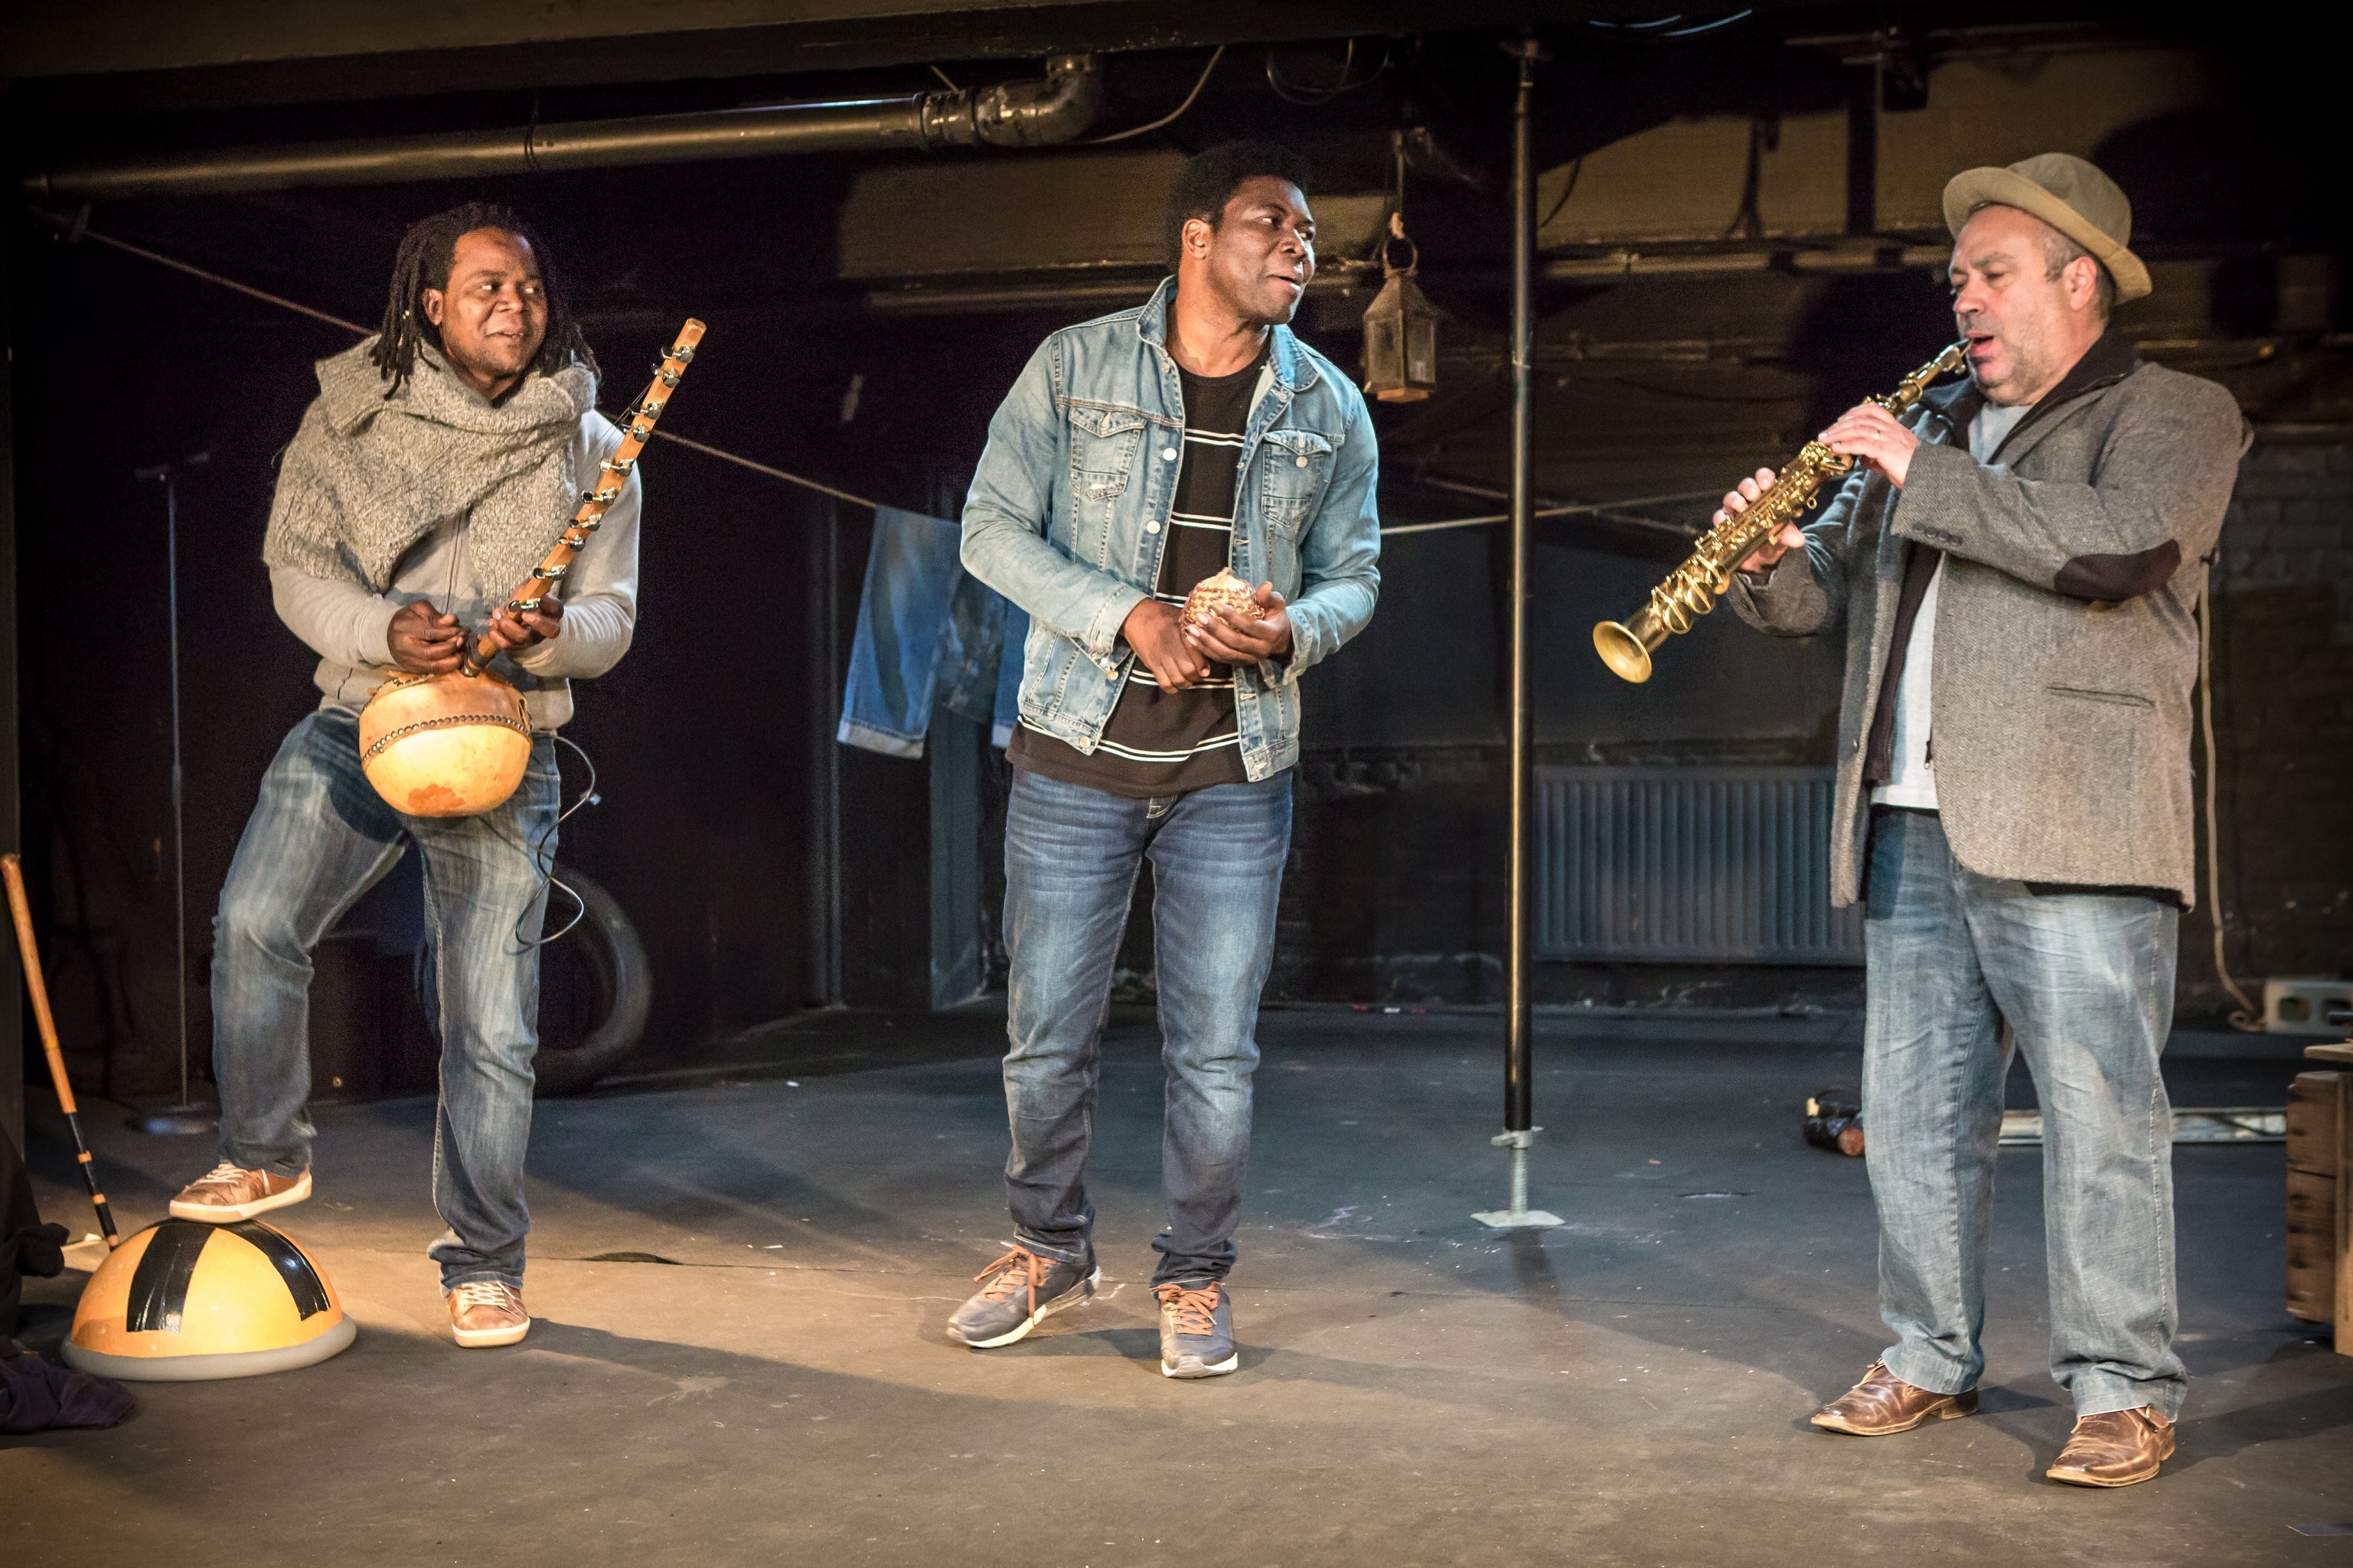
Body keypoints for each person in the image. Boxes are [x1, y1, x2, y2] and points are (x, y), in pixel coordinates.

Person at [1722, 154, 2244, 1486]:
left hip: (2075, 819)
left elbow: (2116, 548)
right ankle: (1927, 1351)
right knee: (1911, 1116)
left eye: (1991, 274)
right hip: (1910, 817)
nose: (1962, 299)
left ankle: (2121, 1385)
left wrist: (1917, 469)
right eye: (1955, 278)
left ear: (2078, 282)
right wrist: (1766, 561)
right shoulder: (1938, 427)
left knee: (2099, 1116)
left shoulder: (2175, 413)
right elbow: (1823, 595)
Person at [166, 204, 641, 1350]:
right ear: (431, 306)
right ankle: (263, 1151)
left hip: (502, 733)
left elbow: (614, 618)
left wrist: (547, 637)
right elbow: (296, 571)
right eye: (486, 288)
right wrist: (384, 629)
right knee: (255, 920)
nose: (513, 306)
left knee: (491, 1023)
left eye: (528, 289)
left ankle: (483, 1264)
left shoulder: (592, 443)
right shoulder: (351, 420)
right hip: (363, 716)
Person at [952, 142, 1380, 1377]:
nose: (1298, 248)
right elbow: (988, 528)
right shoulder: (1074, 366)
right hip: (1072, 757)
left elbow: (1355, 577)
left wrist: (1289, 630)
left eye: (1308, 234)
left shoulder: (1326, 406)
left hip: (1231, 771)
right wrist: (1127, 615)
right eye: (1270, 224)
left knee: (1215, 1053)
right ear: (1197, 238)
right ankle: (1045, 1245)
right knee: (1045, 1037)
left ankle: (1193, 1277)